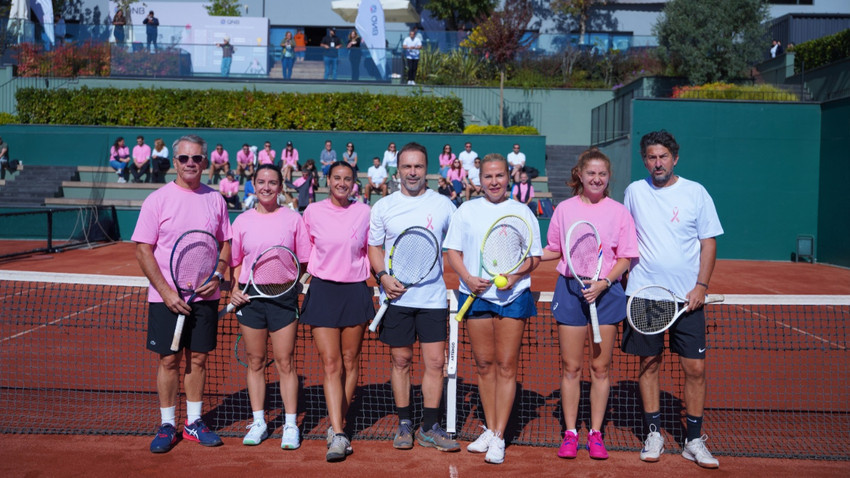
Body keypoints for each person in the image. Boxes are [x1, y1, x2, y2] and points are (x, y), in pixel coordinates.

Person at [622, 130, 724, 469]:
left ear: (675, 158)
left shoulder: (696, 193)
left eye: (663, 157)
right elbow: (623, 238)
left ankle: (693, 440)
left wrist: (702, 286)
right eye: (651, 157)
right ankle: (654, 433)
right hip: (646, 296)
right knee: (649, 365)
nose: (657, 163)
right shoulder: (634, 192)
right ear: (644, 160)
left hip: (688, 300)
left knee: (695, 369)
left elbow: (708, 242)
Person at [132, 134, 232, 453]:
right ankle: (166, 424)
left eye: (197, 158)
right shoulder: (157, 200)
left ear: (206, 162)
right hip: (167, 299)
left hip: (205, 297)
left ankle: (193, 422)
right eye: (185, 158)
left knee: (199, 359)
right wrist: (165, 291)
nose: (191, 163)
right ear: (175, 162)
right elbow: (143, 250)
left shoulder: (215, 199)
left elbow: (226, 242)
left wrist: (218, 275)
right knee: (169, 360)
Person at [540, 148, 638, 460]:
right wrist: (524, 257)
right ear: (579, 175)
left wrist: (604, 282)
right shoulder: (565, 209)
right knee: (571, 367)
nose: (596, 178)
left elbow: (626, 256)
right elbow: (554, 248)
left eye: (602, 174)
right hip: (570, 290)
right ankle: (570, 433)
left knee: (600, 367)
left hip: (606, 292)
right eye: (591, 173)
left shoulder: (619, 212)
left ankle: (596, 433)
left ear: (608, 178)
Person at [444, 153, 542, 465]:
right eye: (488, 176)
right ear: (480, 179)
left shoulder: (521, 211)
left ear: (508, 177)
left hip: (513, 296)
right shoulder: (466, 210)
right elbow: (453, 252)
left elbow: (534, 257)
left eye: (499, 176)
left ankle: (499, 435)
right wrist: (469, 279)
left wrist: (514, 276)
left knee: (506, 365)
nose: (494, 181)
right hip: (475, 296)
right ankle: (489, 427)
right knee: (484, 365)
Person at [367, 142, 460, 453]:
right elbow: (374, 247)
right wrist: (383, 277)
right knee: (401, 360)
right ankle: (405, 422)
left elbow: (457, 246)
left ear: (427, 170)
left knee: (435, 363)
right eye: (407, 166)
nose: (412, 172)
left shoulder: (444, 206)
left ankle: (429, 426)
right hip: (396, 299)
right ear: (398, 171)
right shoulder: (383, 207)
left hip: (432, 298)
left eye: (418, 166)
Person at [229, 163, 311, 449]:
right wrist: (234, 289)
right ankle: (259, 421)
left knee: (285, 362)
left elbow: (304, 260)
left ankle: (290, 424)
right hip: (250, 298)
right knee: (255, 361)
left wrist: (295, 284)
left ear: (280, 186)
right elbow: (236, 261)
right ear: (253, 184)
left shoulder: (293, 219)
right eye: (261, 181)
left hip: (283, 298)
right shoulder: (241, 222)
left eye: (272, 182)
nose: (266, 187)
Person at [300, 161, 373, 462]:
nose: (342, 183)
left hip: (355, 290)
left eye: (348, 179)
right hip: (323, 291)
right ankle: (339, 432)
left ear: (354, 183)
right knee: (331, 364)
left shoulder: (365, 212)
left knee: (349, 360)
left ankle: (336, 425)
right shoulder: (312, 212)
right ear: (327, 180)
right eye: (337, 178)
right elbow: (306, 254)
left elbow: (372, 250)